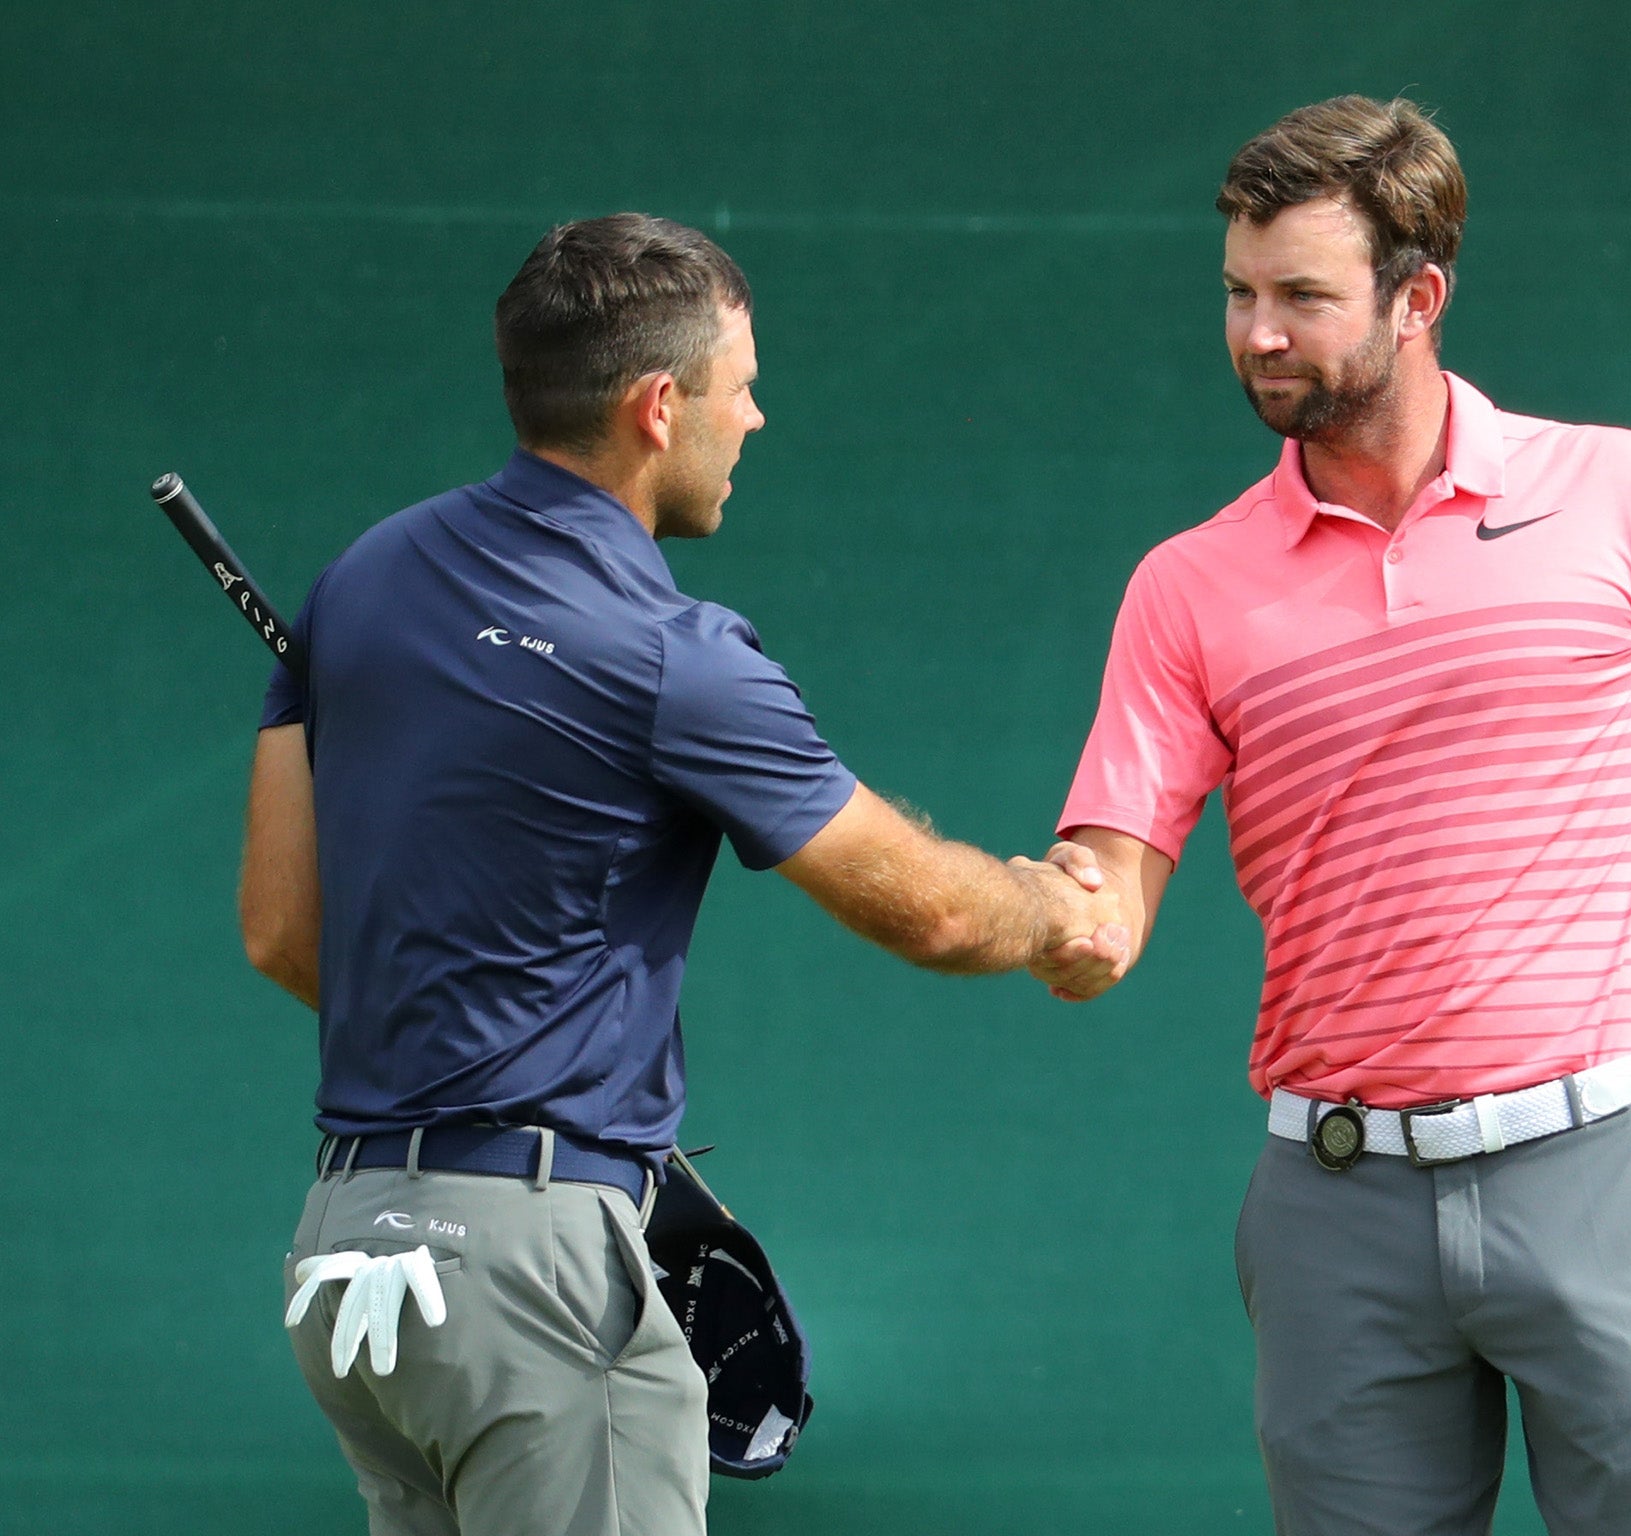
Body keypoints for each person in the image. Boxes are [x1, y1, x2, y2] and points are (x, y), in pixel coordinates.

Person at [1033, 97, 1631, 1535]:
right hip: (1336, 1209)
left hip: (1610, 1168)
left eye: (1301, 298)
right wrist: (1057, 917)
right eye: (1239, 294)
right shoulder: (1183, 588)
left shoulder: (1614, 490)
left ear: (1418, 298)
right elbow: (1109, 883)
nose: (1257, 331)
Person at [239, 212, 1128, 1536]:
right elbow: (933, 909)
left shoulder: (356, 583)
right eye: (742, 385)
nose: (756, 418)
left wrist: (471, 1035)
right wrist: (1058, 908)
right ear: (660, 407)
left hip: (348, 1253)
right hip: (530, 1271)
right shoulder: (673, 652)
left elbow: (282, 931)